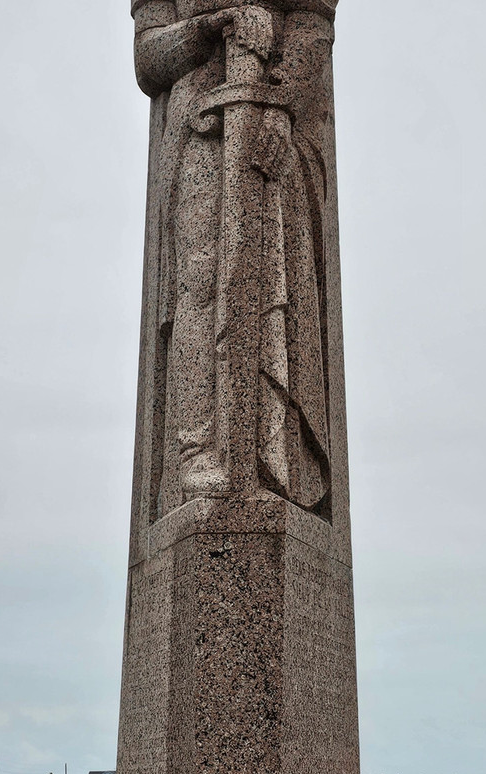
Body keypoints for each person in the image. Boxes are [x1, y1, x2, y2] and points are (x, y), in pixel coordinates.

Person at [131, 0, 338, 518]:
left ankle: (272, 452)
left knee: (271, 287)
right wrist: (208, 28)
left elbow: (313, 24)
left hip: (270, 129)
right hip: (196, 128)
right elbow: (147, 58)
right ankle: (196, 451)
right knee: (197, 289)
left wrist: (283, 105)